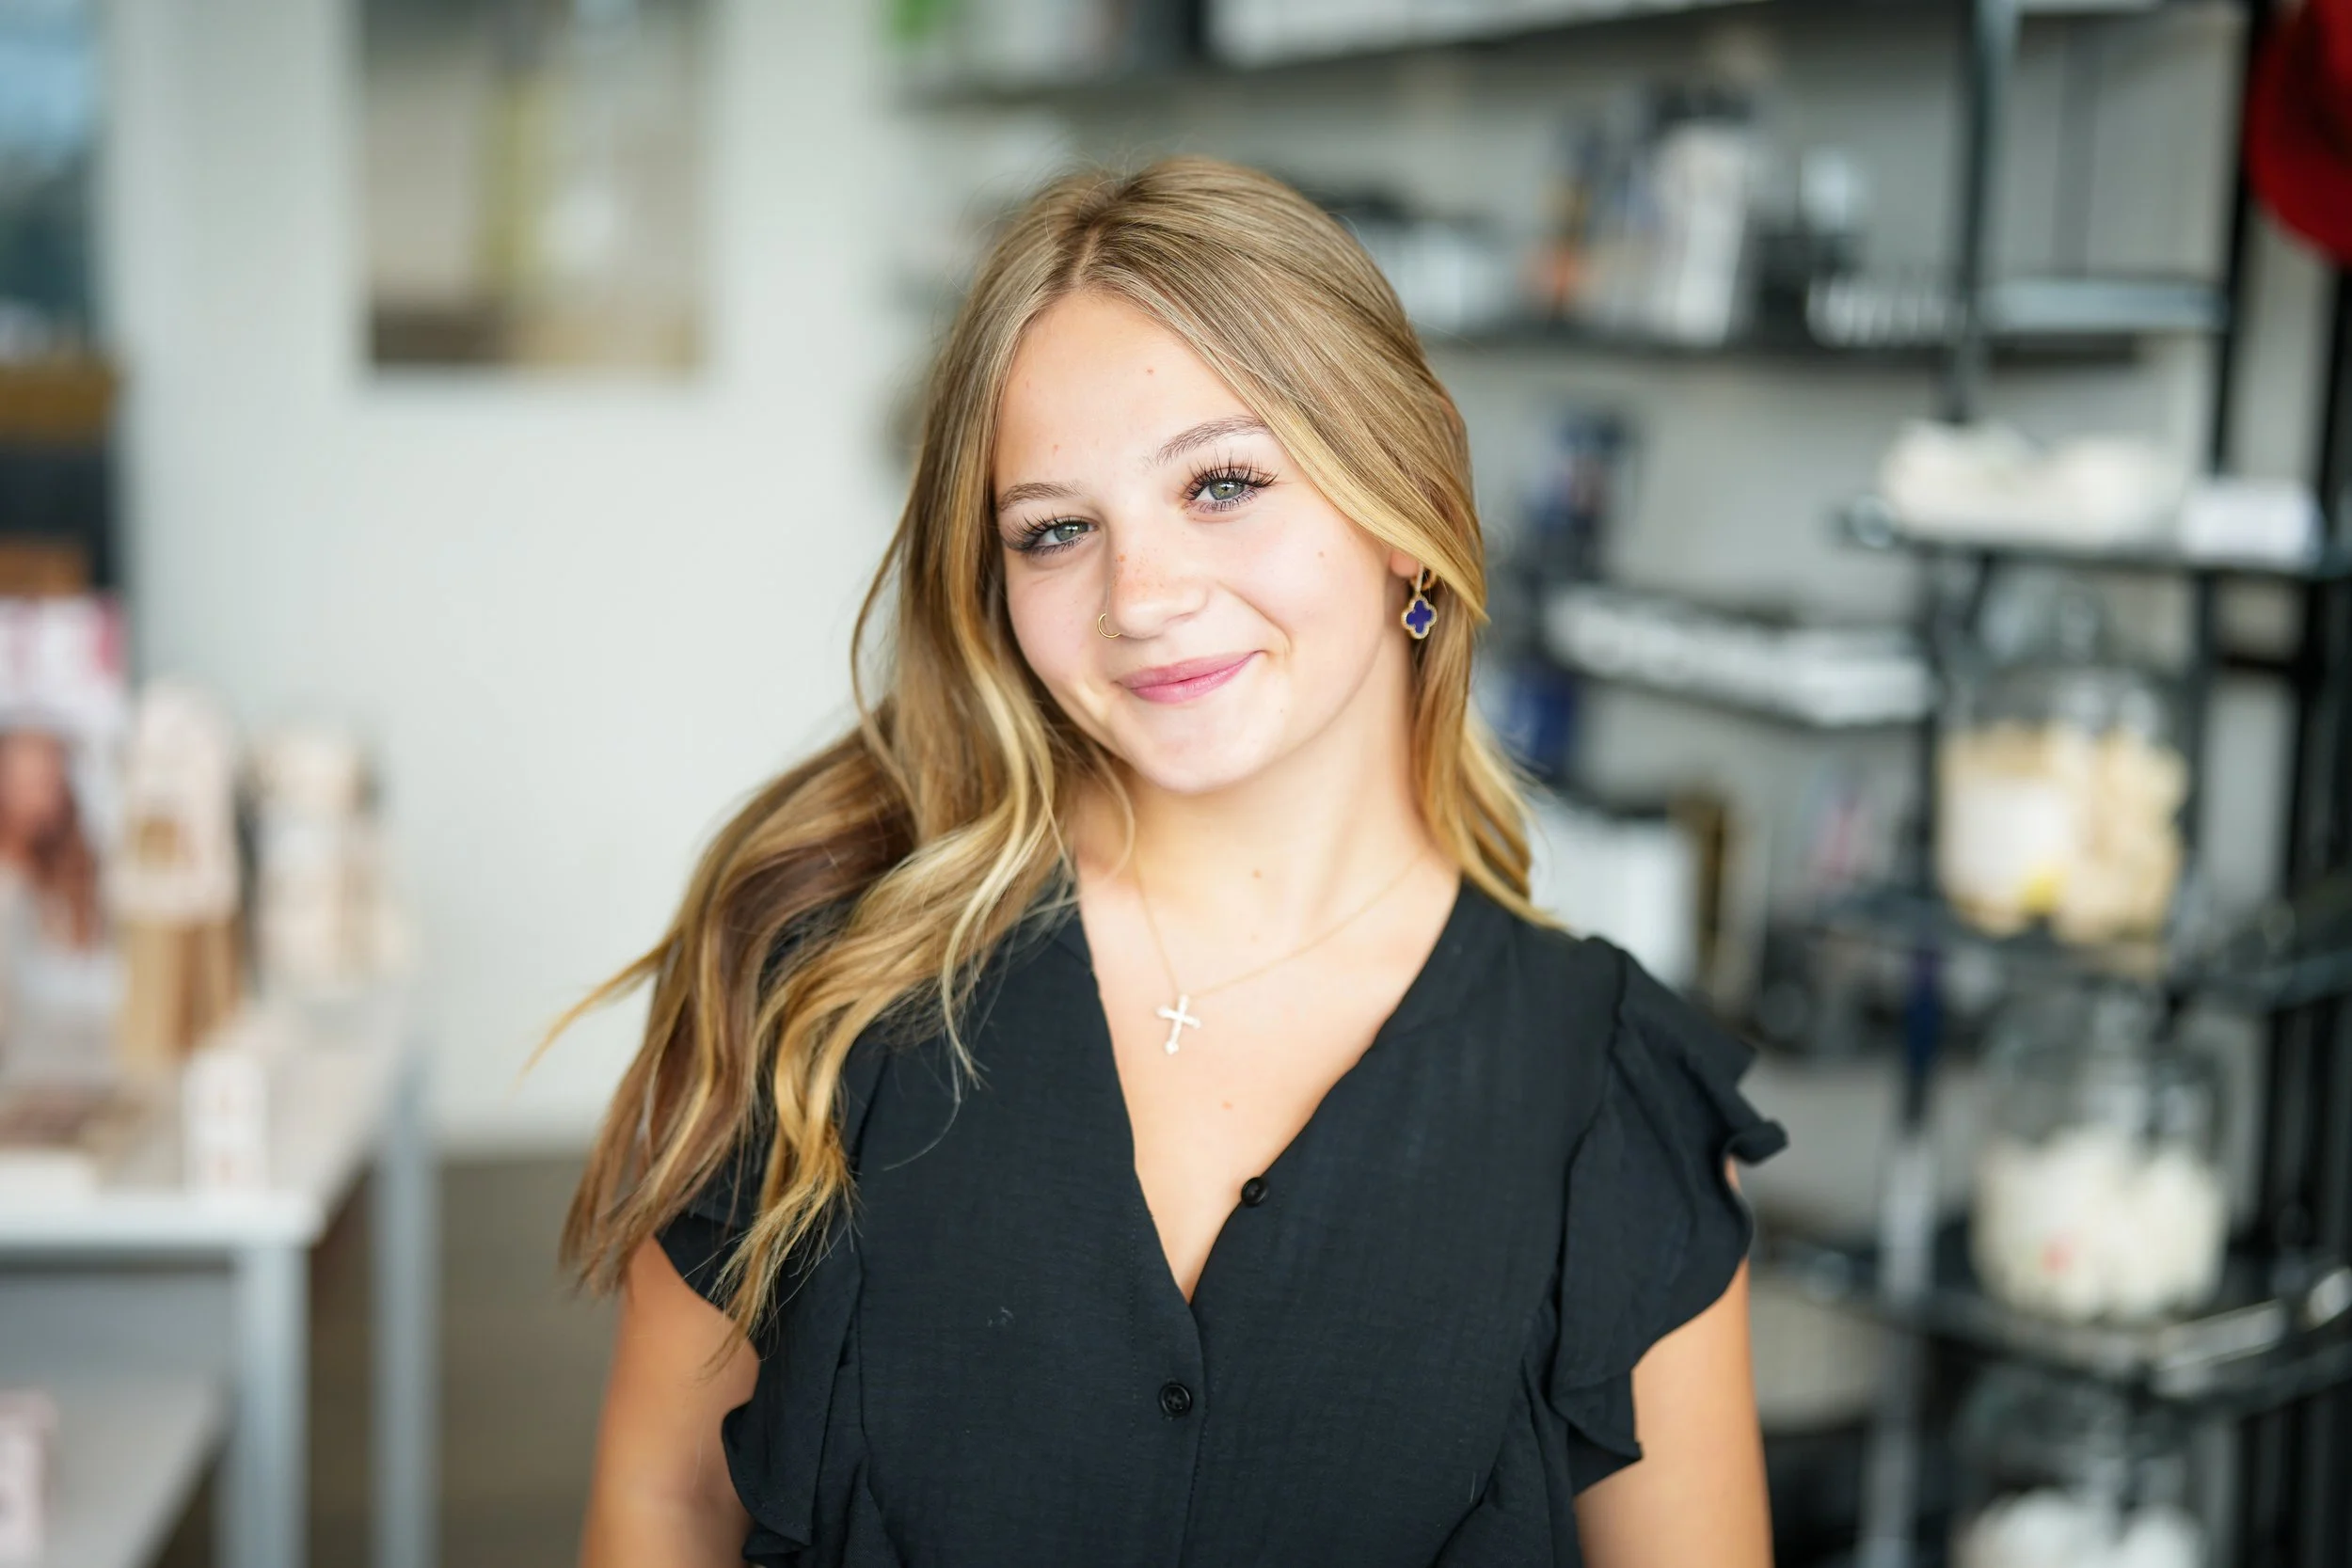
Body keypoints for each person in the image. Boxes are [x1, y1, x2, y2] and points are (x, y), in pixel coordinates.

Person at [557, 155, 1789, 1568]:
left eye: (1221, 482)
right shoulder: (823, 966)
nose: (1142, 598)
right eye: (1058, 529)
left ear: (1405, 493)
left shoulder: (1608, 1101)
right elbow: (663, 1507)